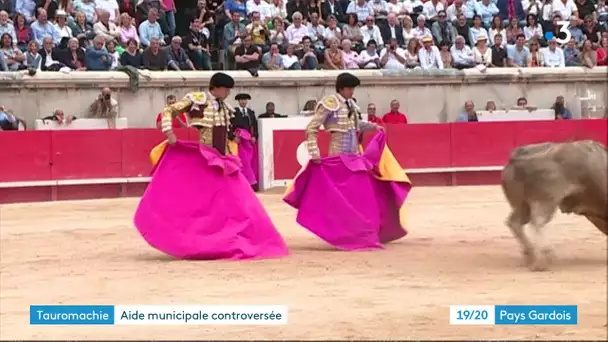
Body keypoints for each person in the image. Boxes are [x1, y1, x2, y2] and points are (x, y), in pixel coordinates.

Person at [135, 73, 288, 261]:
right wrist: (169, 133)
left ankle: (240, 237)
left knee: (242, 200)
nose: (228, 92)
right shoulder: (198, 99)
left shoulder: (224, 106)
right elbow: (168, 111)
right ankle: (202, 239)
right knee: (204, 204)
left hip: (223, 160)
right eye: (226, 88)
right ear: (215, 87)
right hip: (205, 159)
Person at [283, 73, 412, 251]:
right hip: (338, 158)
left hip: (354, 157)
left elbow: (356, 125)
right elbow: (311, 128)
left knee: (362, 195)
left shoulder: (351, 104)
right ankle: (344, 231)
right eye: (350, 88)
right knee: (341, 199)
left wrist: (374, 127)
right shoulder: (330, 103)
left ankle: (360, 231)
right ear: (342, 88)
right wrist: (314, 151)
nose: (352, 91)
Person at [229, 93, 260, 191]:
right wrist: (233, 137)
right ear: (238, 101)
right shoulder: (233, 111)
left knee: (249, 161)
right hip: (238, 140)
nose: (243, 101)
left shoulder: (250, 112)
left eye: (245, 100)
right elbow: (230, 126)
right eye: (241, 100)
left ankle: (249, 182)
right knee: (242, 161)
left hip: (248, 140)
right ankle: (245, 183)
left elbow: (254, 125)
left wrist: (254, 136)